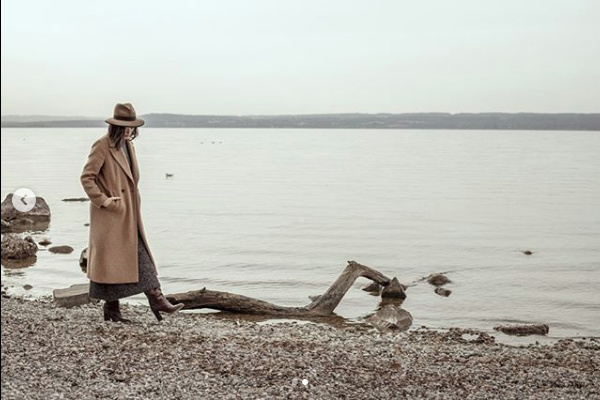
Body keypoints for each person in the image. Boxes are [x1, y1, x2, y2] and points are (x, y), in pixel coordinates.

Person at [80, 102, 184, 322]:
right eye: (124, 126)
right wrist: (105, 201)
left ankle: (114, 310)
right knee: (117, 260)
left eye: (132, 127)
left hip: (129, 213)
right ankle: (156, 299)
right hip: (110, 214)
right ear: (115, 126)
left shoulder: (128, 146)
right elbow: (87, 177)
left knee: (125, 257)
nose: (129, 130)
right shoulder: (102, 145)